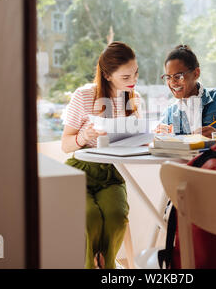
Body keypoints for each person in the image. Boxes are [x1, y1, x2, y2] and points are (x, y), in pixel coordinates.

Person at [61, 41, 140, 269]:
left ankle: (105, 266)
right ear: (107, 75)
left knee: (116, 217)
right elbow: (66, 145)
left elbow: (133, 141)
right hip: (81, 169)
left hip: (113, 172)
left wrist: (149, 134)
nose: (132, 81)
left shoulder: (132, 98)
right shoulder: (84, 95)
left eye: (135, 73)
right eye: (125, 78)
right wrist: (84, 136)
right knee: (90, 219)